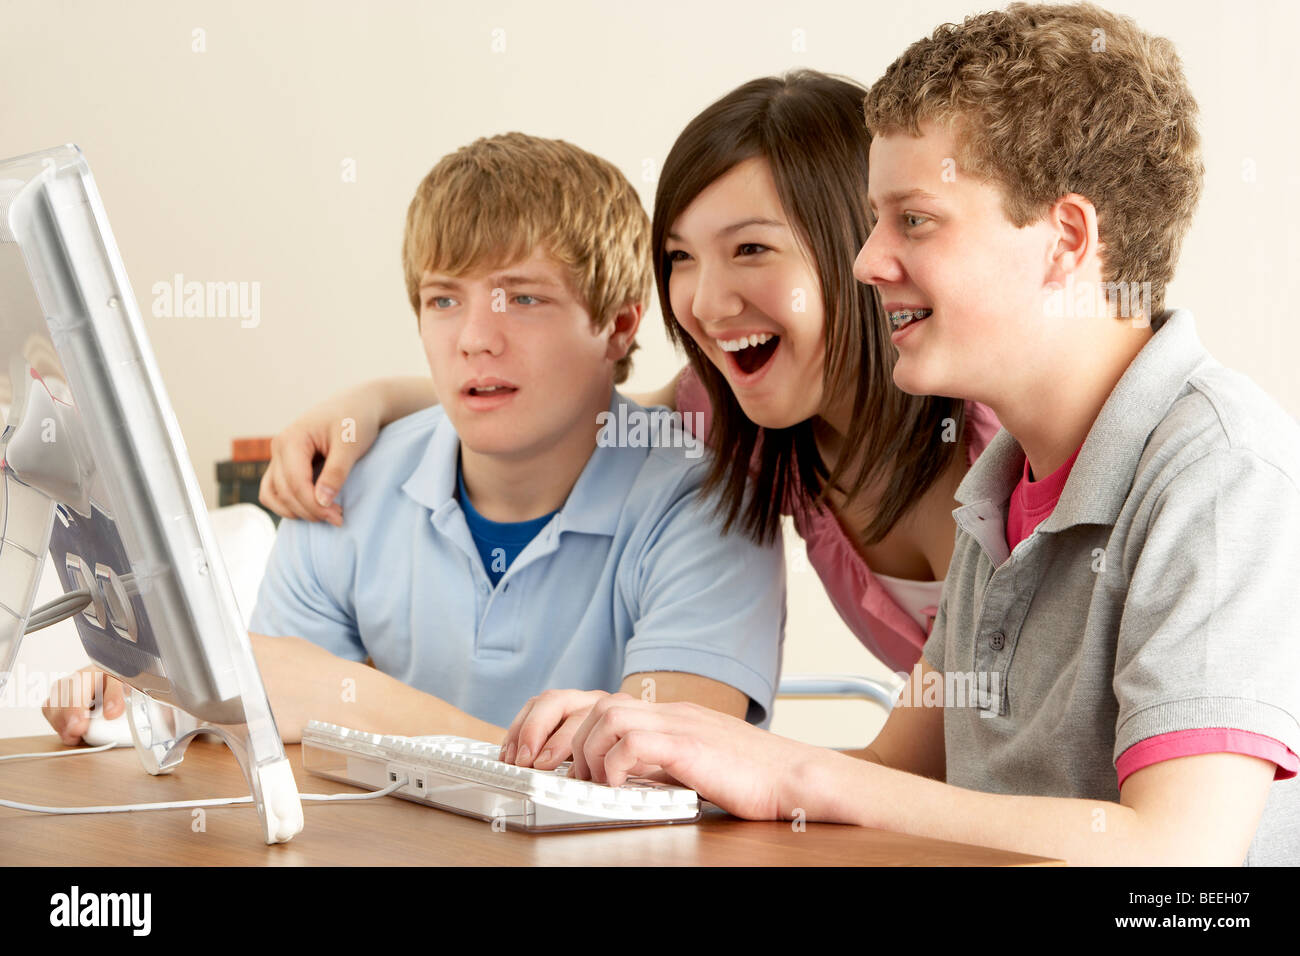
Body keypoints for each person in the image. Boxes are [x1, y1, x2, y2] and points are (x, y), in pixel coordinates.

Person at [542, 2, 1300, 866]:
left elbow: (1181, 857)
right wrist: (690, 754)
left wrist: (792, 772)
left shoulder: (1221, 475)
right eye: (874, 220)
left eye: (915, 219)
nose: (866, 262)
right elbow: (893, 781)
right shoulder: (999, 491)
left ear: (1064, 241)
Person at [256, 70, 1002, 705]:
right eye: (680, 256)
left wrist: (361, 706)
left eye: (750, 249)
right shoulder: (728, 412)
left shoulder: (1000, 436)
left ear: (859, 250)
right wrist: (370, 405)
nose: (706, 304)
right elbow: (578, 407)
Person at [43, 132, 785, 750]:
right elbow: (273, 737)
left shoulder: (710, 505)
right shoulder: (343, 483)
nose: (473, 340)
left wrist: (357, 702)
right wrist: (162, 703)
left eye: (522, 298)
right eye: (442, 300)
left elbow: (663, 772)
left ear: (619, 326)